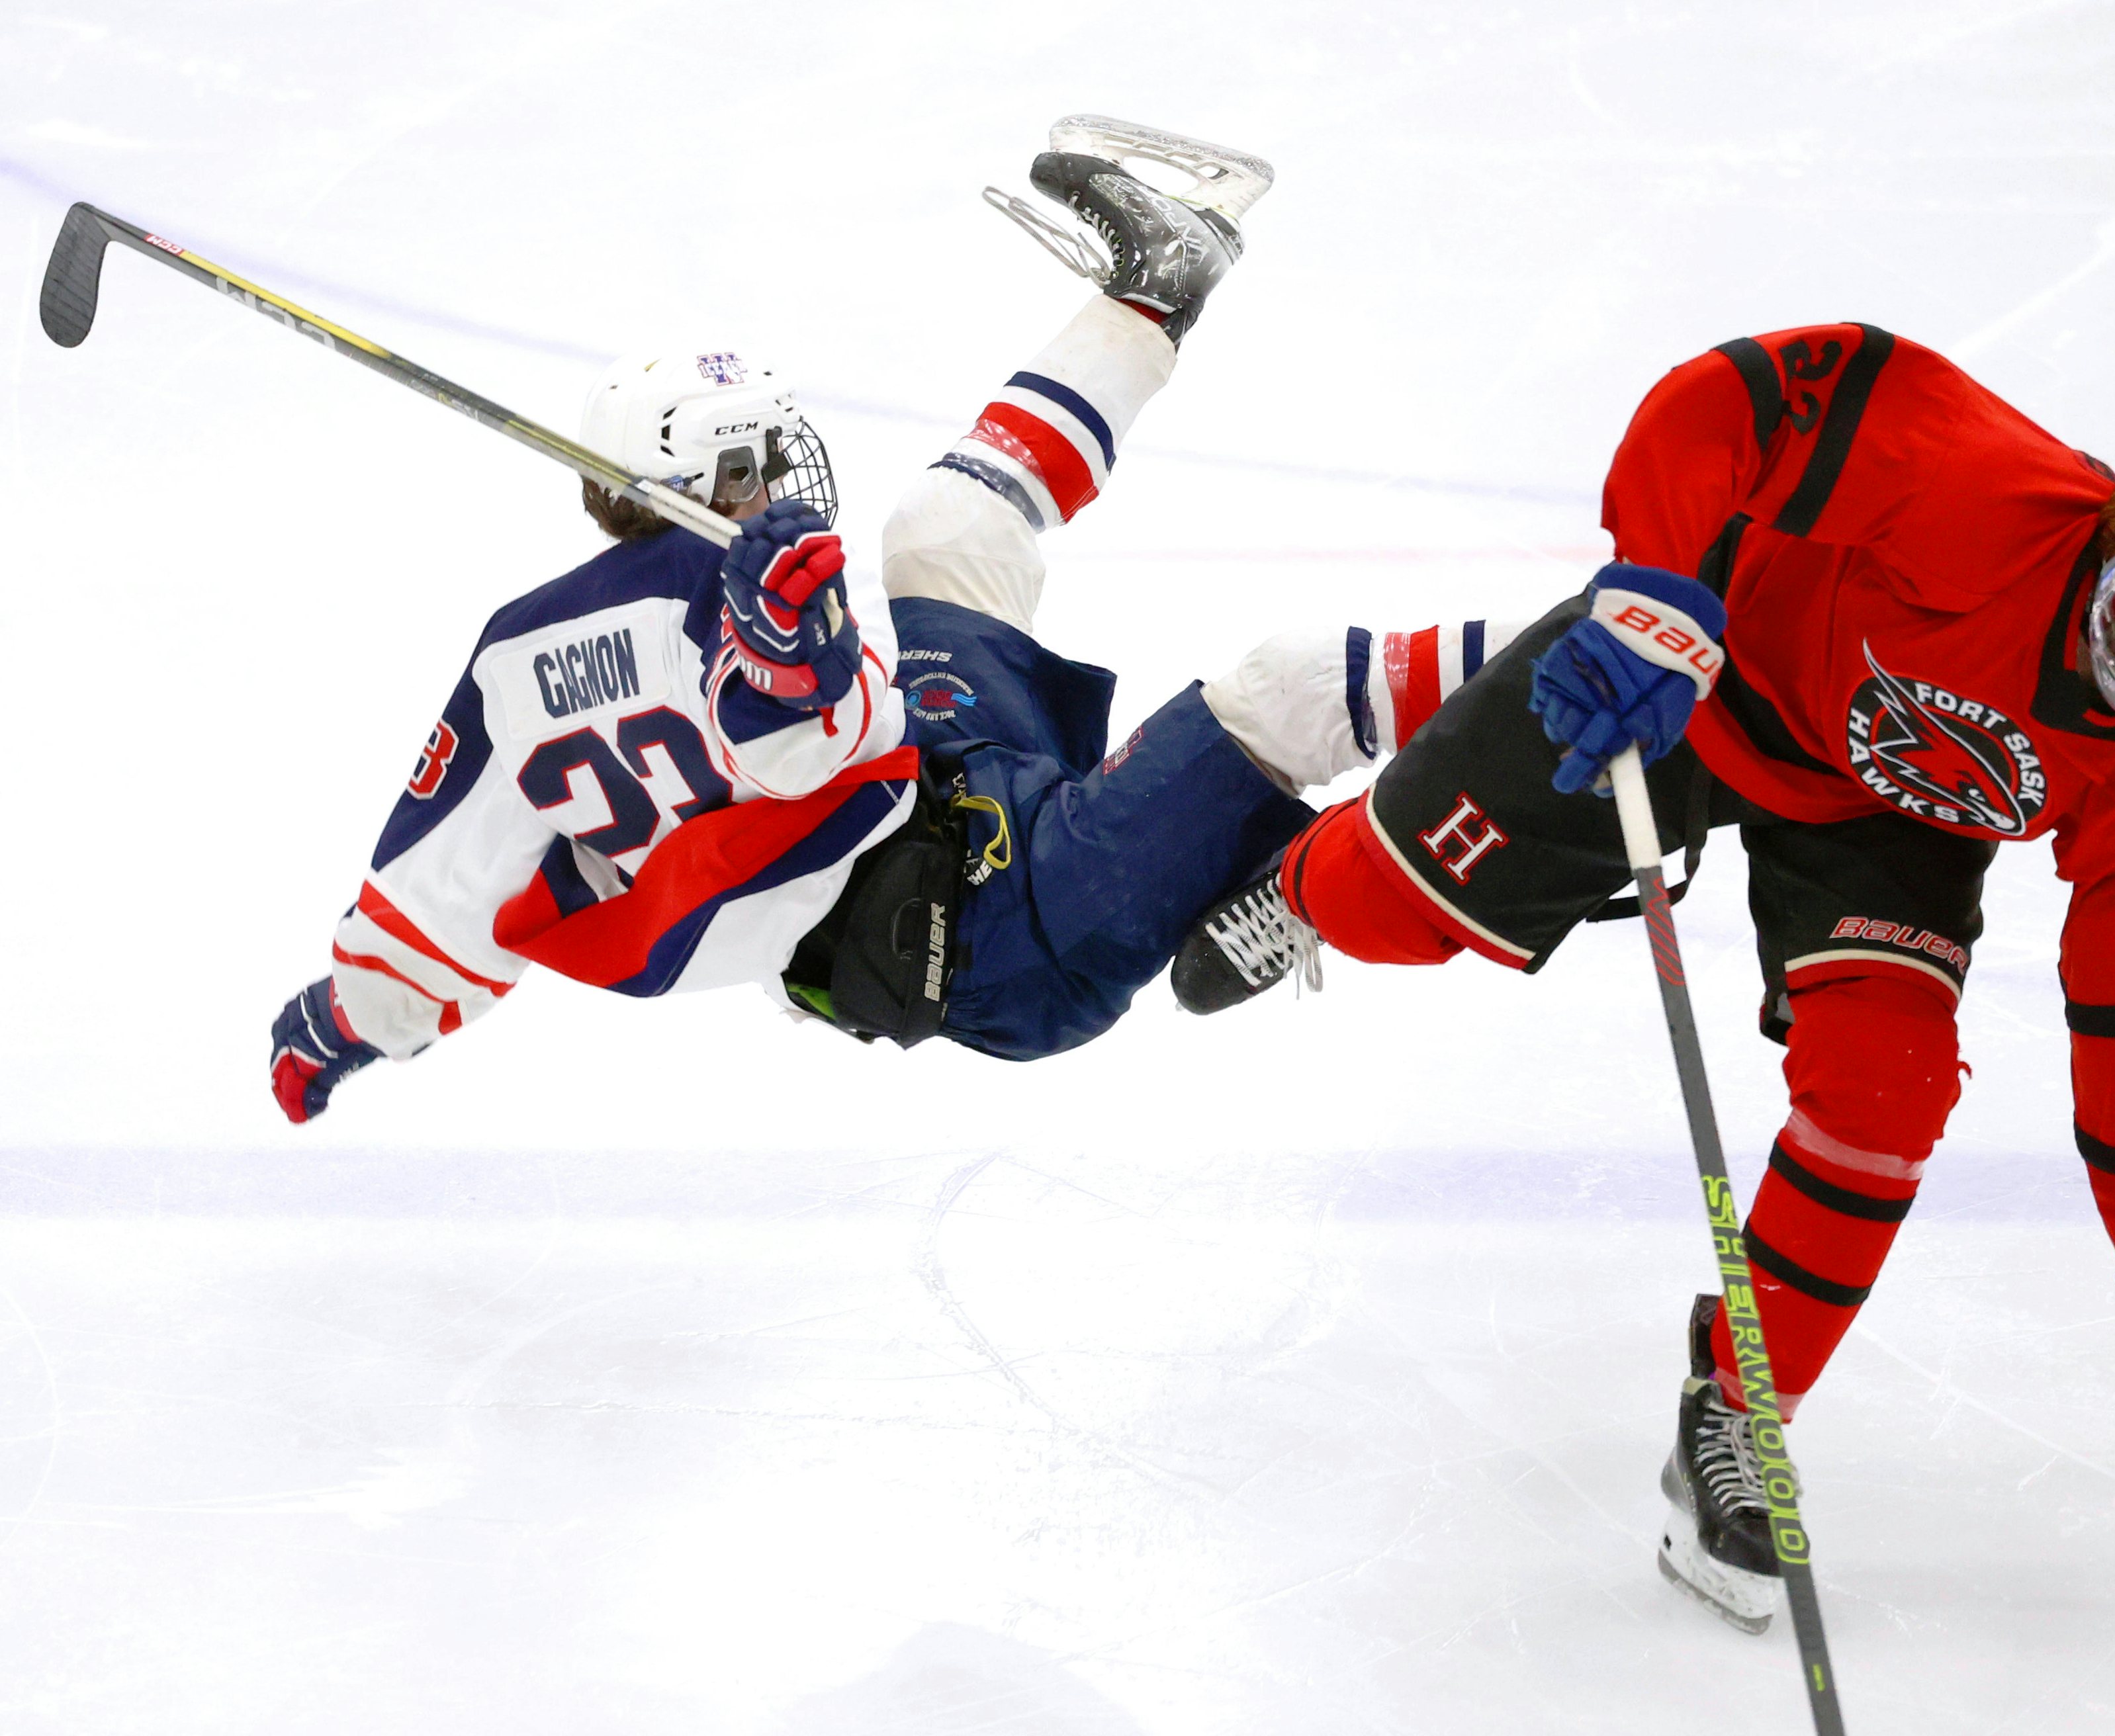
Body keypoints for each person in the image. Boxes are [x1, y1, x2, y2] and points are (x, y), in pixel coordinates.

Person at [1171, 323, 2115, 1631]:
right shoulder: (1990, 495)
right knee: (1391, 901)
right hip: (1707, 687)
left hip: (1890, 814)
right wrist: (1652, 599)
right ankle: (1309, 881)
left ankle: (1737, 1412)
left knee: (1887, 1090)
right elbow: (1732, 406)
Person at [269, 115, 1529, 1119]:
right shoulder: (729, 605)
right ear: (706, 487)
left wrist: (340, 1024)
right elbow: (812, 749)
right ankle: (1536, 691)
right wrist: (784, 663)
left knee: (942, 533)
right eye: (761, 457)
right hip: (997, 937)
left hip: (945, 793)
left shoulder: (518, 651)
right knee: (1289, 687)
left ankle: (1157, 287)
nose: (788, 473)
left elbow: (437, 890)